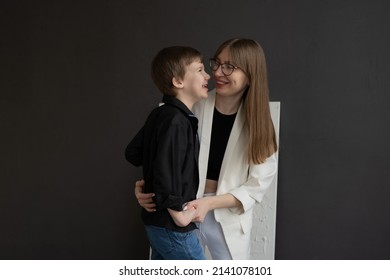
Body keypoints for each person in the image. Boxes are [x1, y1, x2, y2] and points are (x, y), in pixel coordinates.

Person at [135, 38, 278, 260]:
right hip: (180, 210)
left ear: (250, 74)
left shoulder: (260, 122)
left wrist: (208, 203)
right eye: (216, 63)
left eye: (229, 66)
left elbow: (257, 185)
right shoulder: (189, 104)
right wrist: (145, 188)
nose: (218, 73)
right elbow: (158, 154)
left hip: (227, 217)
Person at [125, 46, 210, 260]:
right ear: (178, 82)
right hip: (173, 227)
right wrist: (179, 216)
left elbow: (133, 153)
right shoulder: (177, 120)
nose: (207, 75)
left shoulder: (160, 114)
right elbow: (166, 169)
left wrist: (149, 180)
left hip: (156, 225)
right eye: (200, 70)